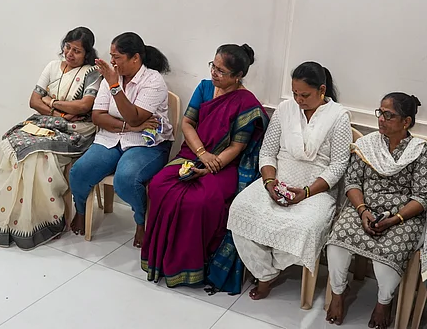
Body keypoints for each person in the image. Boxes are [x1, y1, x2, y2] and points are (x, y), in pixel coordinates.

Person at [142, 44, 269, 293]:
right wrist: (202, 154)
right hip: (193, 154)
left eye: (221, 71)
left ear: (238, 76)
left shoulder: (246, 103)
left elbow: (237, 146)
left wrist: (211, 165)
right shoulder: (204, 88)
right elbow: (187, 123)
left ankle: (195, 267)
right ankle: (161, 260)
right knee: (158, 185)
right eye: (213, 66)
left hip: (224, 165)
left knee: (199, 200)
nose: (214, 73)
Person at [228, 62, 353, 300]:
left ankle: (269, 270)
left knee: (306, 228)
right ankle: (265, 273)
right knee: (240, 209)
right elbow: (267, 152)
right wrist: (269, 183)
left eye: (304, 95)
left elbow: (338, 165)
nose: (298, 100)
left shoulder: (338, 117)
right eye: (295, 93)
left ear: (322, 90)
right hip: (277, 181)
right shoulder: (285, 109)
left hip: (316, 190)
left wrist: (306, 192)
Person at [0, 27, 102, 249]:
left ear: (87, 54)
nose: (70, 54)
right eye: (68, 47)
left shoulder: (92, 73)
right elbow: (34, 101)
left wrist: (51, 101)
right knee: (11, 146)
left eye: (77, 51)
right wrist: (59, 113)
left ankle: (44, 222)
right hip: (48, 121)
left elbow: (83, 106)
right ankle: (12, 221)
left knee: (37, 157)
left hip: (77, 130)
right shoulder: (52, 67)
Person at [326, 93, 426, 329]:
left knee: (389, 256)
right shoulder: (367, 145)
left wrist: (395, 219)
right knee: (337, 241)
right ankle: (338, 294)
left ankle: (384, 302)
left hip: (404, 216)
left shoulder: (419, 152)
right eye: (380, 113)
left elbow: (422, 197)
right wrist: (362, 211)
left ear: (406, 122)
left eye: (388, 115)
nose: (381, 119)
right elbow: (352, 182)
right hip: (364, 208)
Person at [69, 32, 173, 248]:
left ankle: (141, 221)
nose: (113, 62)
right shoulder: (112, 77)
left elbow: (135, 116)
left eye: (117, 57)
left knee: (126, 179)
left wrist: (115, 87)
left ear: (135, 58)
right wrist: (129, 126)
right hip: (111, 137)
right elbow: (98, 116)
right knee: (79, 171)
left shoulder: (153, 80)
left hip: (147, 143)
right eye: (111, 56)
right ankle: (80, 210)